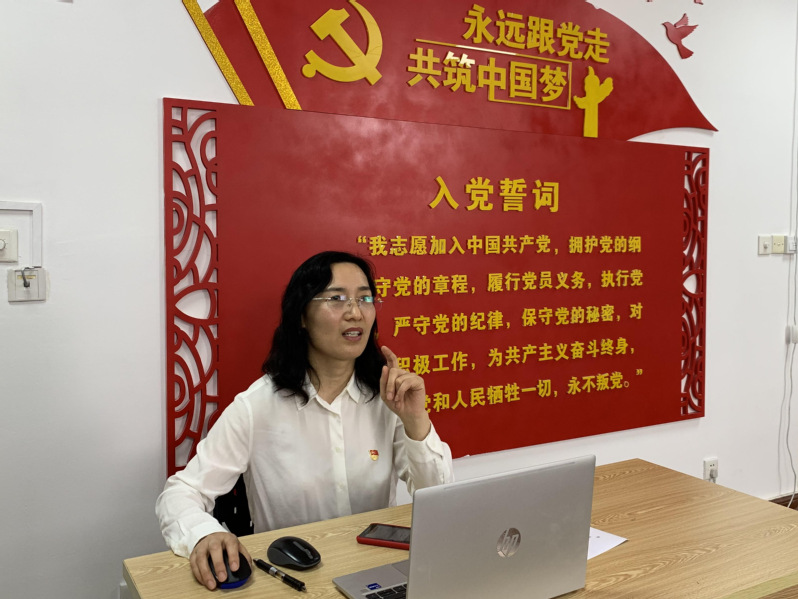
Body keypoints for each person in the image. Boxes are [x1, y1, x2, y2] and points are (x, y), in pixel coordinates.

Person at [156, 250, 454, 590]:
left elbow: (441, 499)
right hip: (293, 583)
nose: (355, 312)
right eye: (337, 299)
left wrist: (416, 421)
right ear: (302, 316)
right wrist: (203, 533)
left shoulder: (388, 399)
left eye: (365, 298)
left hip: (378, 576)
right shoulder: (257, 407)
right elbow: (181, 492)